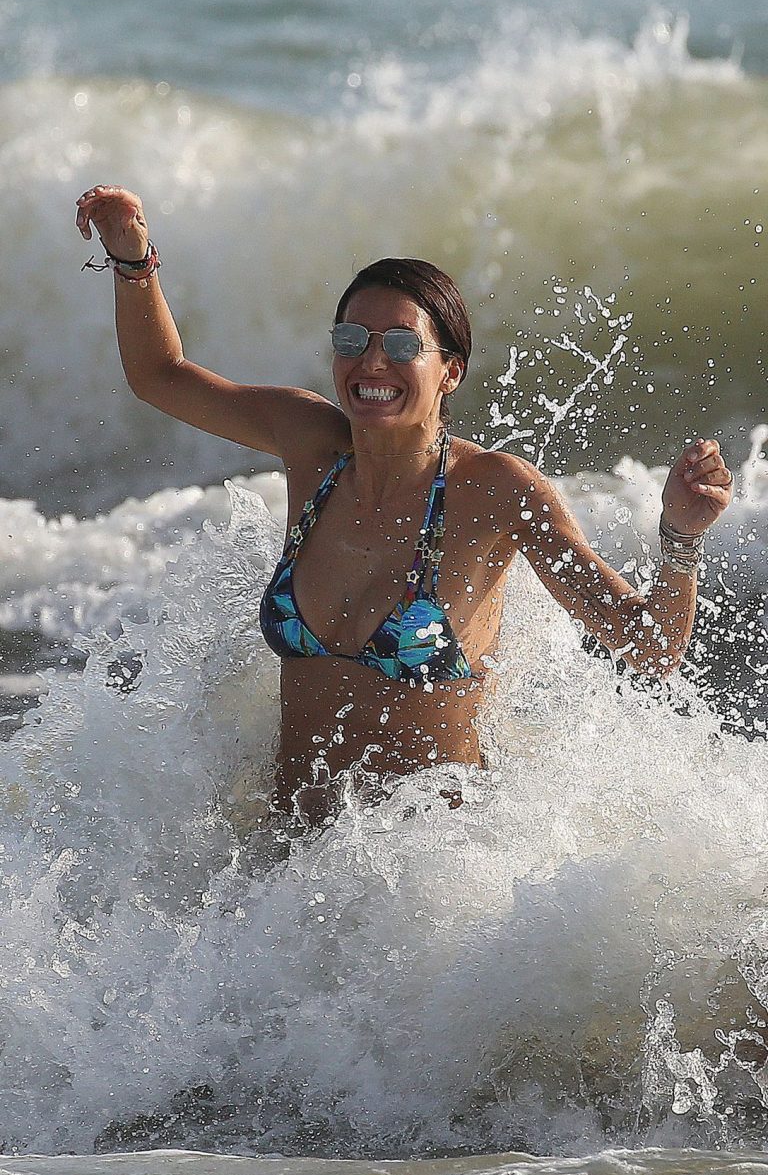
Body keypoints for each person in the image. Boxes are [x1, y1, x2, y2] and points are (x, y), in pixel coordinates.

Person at [76, 185, 733, 824]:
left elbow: (648, 648)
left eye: (399, 345)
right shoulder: (311, 444)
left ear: (450, 371)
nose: (371, 363)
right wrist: (133, 257)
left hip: (427, 898)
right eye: (351, 340)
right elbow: (159, 376)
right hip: (284, 885)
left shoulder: (495, 490)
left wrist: (680, 536)